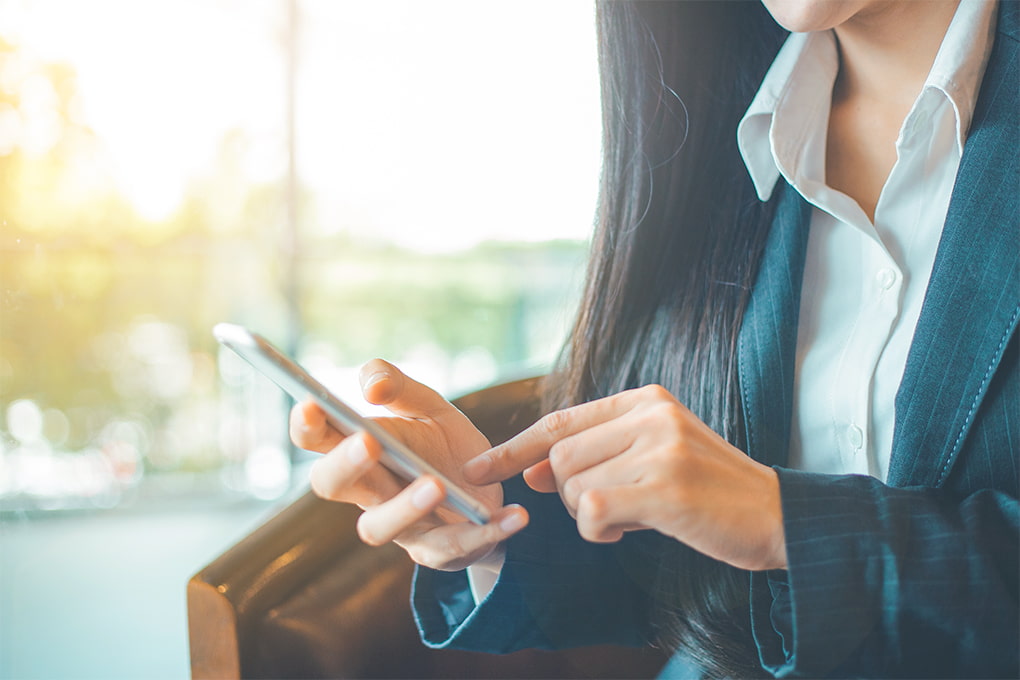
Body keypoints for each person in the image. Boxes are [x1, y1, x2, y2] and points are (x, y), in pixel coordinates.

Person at [292, 1, 1019, 677]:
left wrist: (783, 522)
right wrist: (489, 523)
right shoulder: (709, 129)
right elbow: (687, 577)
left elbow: (762, 526)